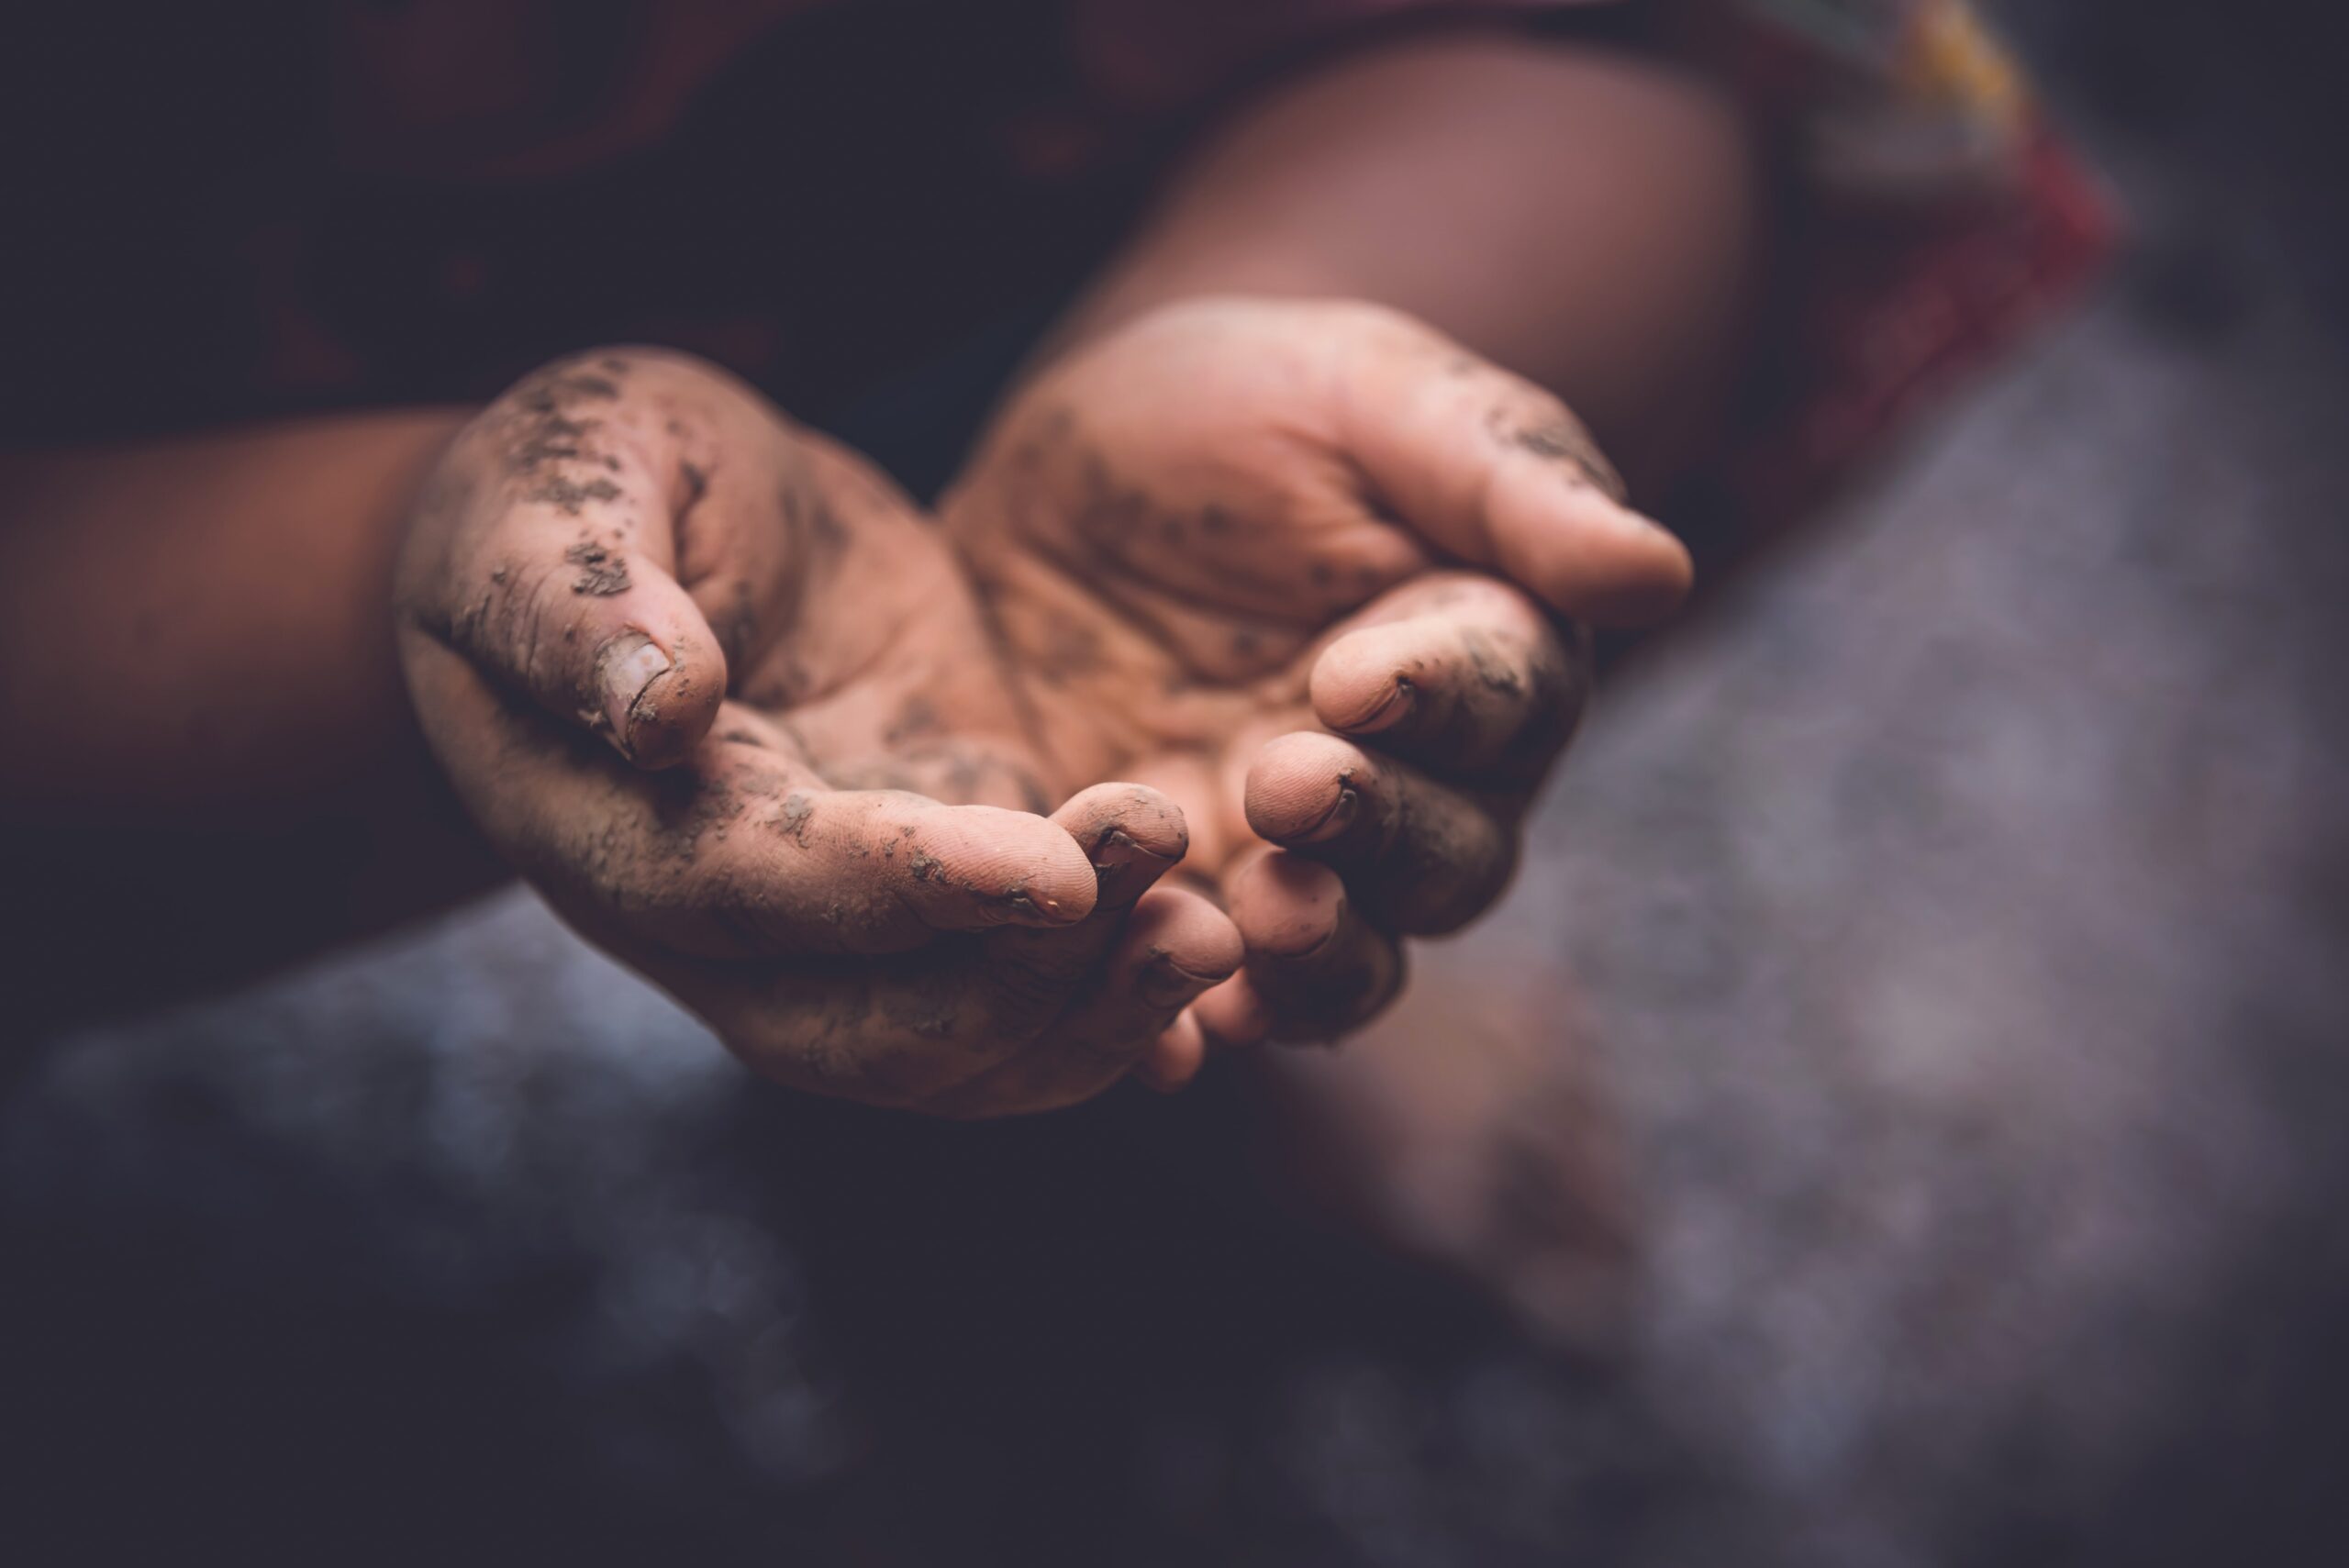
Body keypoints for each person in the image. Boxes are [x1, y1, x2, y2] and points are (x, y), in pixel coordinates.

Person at [2, 1, 2107, 1319]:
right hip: (135, 435)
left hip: (1000, 224)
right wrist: (403, 568)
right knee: (484, 654)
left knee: (1433, 455)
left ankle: (1152, 1001)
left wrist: (1300, 299)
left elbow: (1628, 63)